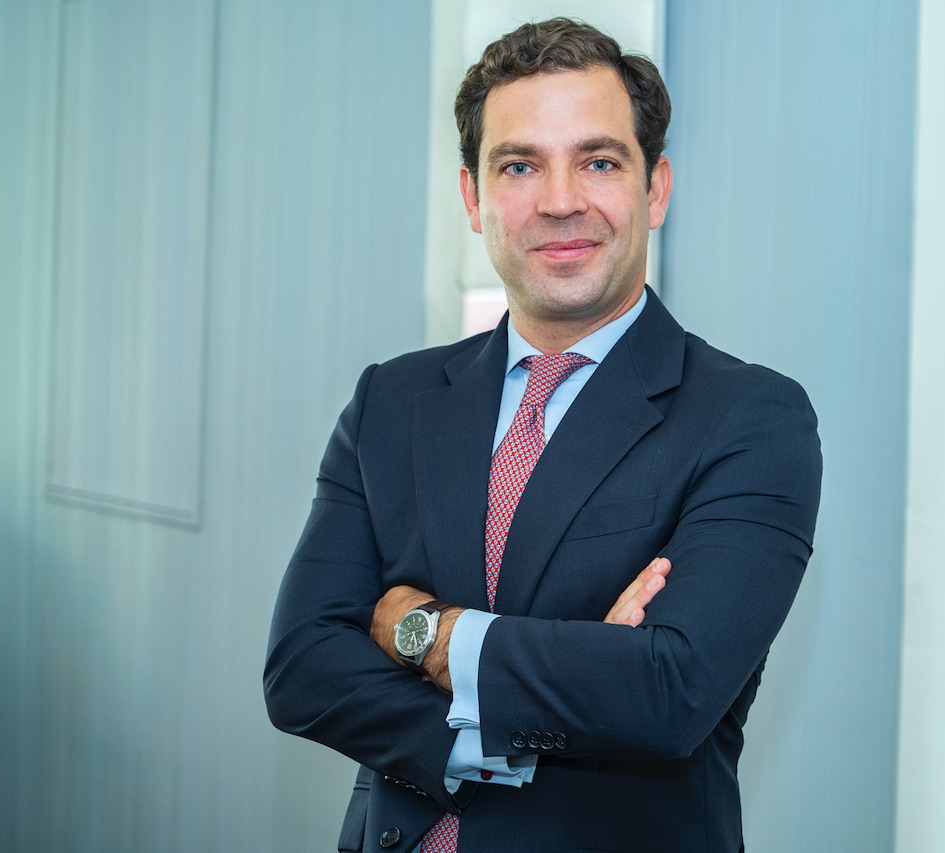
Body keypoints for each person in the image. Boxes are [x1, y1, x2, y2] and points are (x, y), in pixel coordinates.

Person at [265, 17, 821, 853]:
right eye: (519, 165)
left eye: (598, 161)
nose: (560, 200)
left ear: (655, 189)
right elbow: (302, 667)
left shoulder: (750, 418)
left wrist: (421, 629)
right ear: (473, 197)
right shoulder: (392, 399)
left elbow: (667, 694)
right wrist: (577, 669)